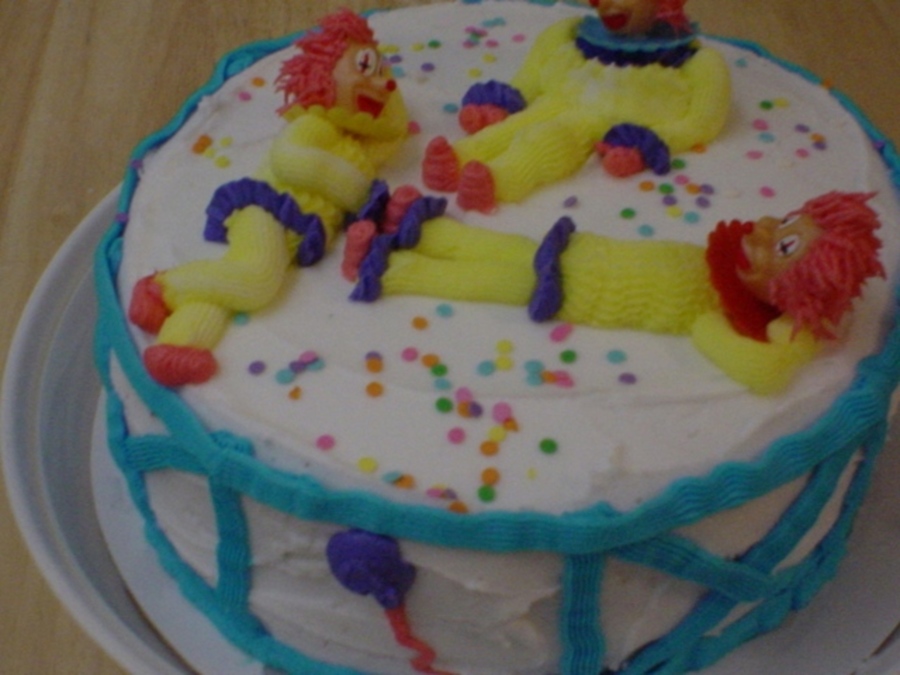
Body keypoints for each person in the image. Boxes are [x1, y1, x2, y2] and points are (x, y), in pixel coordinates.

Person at [350, 191, 885, 394]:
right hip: (588, 252)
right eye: (786, 220)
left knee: (494, 281)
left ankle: (396, 269)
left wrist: (797, 337)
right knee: (504, 247)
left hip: (584, 292)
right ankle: (428, 232)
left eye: (785, 245)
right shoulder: (720, 263)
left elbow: (759, 369)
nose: (767, 227)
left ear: (793, 290)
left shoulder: (718, 314)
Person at [128, 9, 408, 387]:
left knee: (232, 284)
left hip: (295, 229)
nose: (382, 81)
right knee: (258, 280)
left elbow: (395, 130)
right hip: (268, 210)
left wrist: (382, 89)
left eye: (383, 70)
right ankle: (163, 287)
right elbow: (291, 161)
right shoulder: (314, 124)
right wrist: (358, 192)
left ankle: (179, 344)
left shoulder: (358, 146)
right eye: (364, 66)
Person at [421, 0, 731, 212]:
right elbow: (532, 75)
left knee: (554, 137)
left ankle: (503, 179)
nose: (610, 5)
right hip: (557, 100)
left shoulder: (695, 62)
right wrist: (505, 99)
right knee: (521, 123)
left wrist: (647, 143)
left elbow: (701, 122)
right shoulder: (569, 35)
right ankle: (464, 154)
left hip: (600, 120)